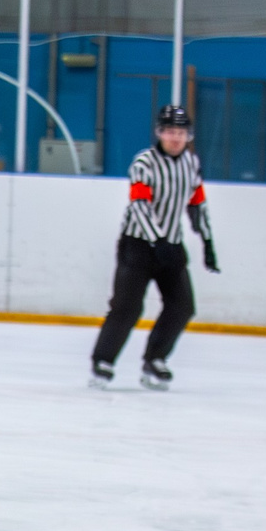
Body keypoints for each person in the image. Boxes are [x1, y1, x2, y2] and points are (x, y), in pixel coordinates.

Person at [90, 102, 220, 391]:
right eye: (170, 132)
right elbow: (139, 205)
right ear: (160, 133)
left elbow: (197, 203)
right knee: (127, 307)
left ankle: (155, 359)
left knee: (182, 306)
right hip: (137, 245)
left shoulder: (191, 163)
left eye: (181, 133)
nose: (176, 138)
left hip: (171, 245)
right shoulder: (144, 163)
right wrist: (156, 239)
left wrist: (207, 240)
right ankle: (103, 360)